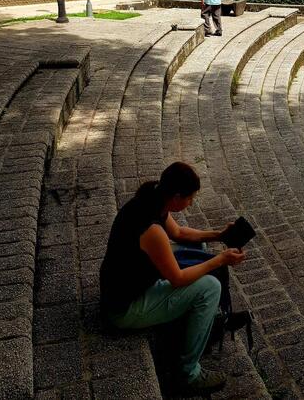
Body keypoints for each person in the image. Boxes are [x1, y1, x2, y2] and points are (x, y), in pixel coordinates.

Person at [100, 162, 245, 395]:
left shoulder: (153, 195)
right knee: (210, 287)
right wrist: (219, 260)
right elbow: (177, 279)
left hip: (127, 286)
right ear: (177, 197)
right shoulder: (152, 231)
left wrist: (220, 235)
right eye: (190, 198)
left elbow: (179, 233)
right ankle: (188, 374)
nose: (191, 203)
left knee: (197, 248)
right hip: (125, 308)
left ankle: (197, 320)